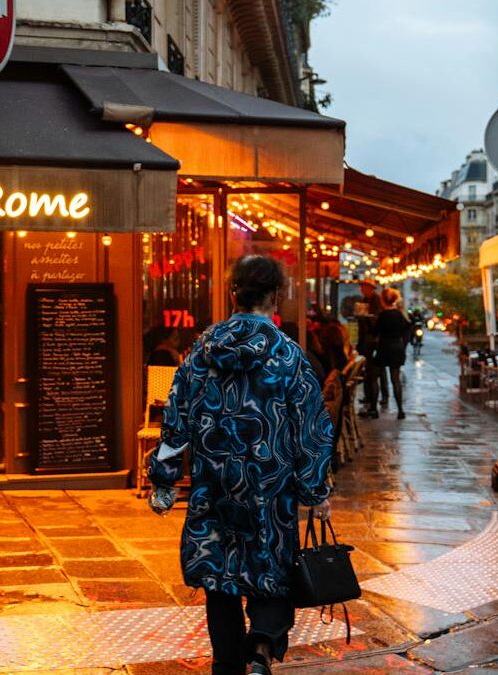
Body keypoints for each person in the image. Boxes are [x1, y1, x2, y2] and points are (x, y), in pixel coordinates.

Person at [148, 255, 334, 675]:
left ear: (233, 294)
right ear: (276, 296)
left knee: (220, 574)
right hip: (271, 487)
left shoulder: (202, 350)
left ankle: (228, 661)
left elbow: (176, 415)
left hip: (215, 484)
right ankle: (262, 647)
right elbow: (310, 428)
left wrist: (164, 479)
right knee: (270, 564)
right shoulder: (288, 356)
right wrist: (315, 490)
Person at [374, 287, 412, 420]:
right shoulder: (400, 315)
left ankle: (374, 408)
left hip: (384, 348)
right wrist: (403, 345)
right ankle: (400, 410)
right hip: (397, 348)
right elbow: (407, 331)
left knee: (375, 376)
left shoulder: (382, 316)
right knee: (396, 379)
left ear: (383, 301)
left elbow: (375, 332)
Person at [354, 280, 382, 418]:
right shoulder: (365, 300)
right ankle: (369, 398)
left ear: (370, 288)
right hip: (365, 339)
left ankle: (374, 404)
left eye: (363, 287)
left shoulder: (376, 300)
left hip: (373, 341)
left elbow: (376, 321)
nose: (361, 289)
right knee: (367, 372)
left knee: (373, 374)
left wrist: (367, 317)